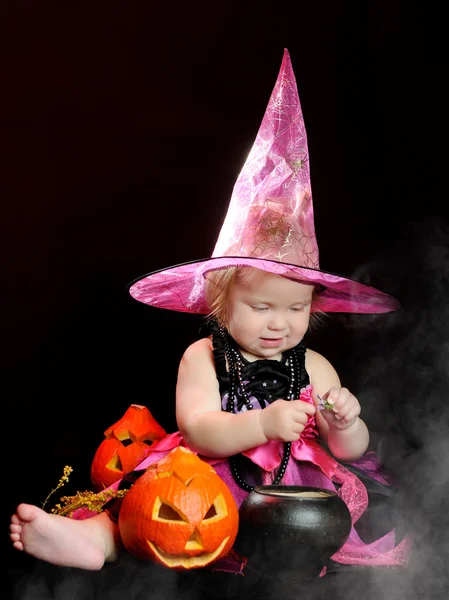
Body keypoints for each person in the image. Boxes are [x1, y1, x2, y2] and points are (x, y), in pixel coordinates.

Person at [9, 48, 410, 573]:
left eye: (294, 310)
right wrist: (264, 422)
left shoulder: (313, 367)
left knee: (338, 515)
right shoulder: (203, 355)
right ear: (220, 304)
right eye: (262, 306)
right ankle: (92, 542)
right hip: (211, 482)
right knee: (144, 508)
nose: (278, 322)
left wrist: (346, 421)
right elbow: (198, 430)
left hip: (296, 495)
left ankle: (292, 563)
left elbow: (350, 450)